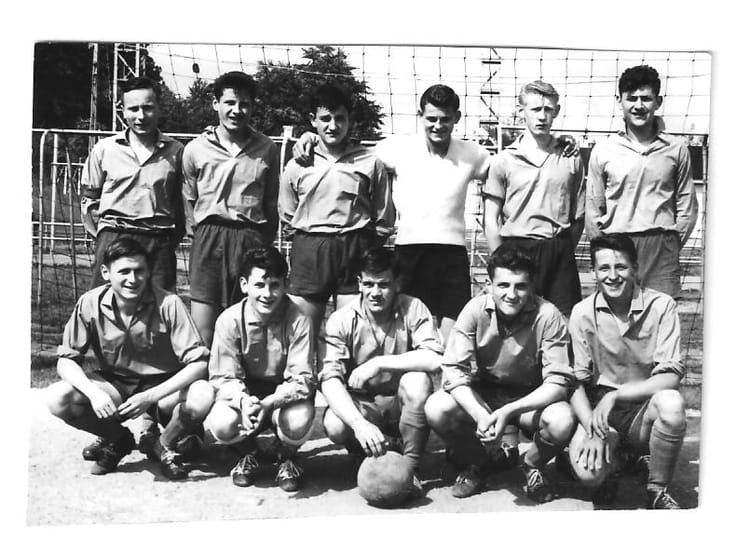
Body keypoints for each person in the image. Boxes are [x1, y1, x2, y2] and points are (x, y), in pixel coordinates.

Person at [45, 238, 213, 480]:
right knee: (57, 398)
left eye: (139, 271)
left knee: (203, 394)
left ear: (148, 271)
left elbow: (199, 363)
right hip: (116, 384)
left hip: (163, 388)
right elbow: (66, 360)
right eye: (124, 271)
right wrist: (94, 394)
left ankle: (163, 444)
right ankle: (118, 439)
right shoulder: (90, 302)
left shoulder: (169, 303)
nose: (133, 279)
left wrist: (150, 397)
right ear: (106, 272)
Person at [424, 245, 575, 502]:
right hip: (487, 391)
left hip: (530, 396)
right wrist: (480, 414)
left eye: (521, 286)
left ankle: (531, 464)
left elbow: (558, 383)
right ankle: (481, 462)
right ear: (489, 285)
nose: (511, 294)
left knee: (562, 420)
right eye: (503, 285)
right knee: (437, 408)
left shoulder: (548, 315)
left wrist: (508, 412)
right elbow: (453, 370)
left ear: (532, 286)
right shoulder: (474, 309)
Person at [566, 233, 687, 509]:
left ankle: (657, 489)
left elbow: (671, 376)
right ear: (593, 272)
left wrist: (618, 395)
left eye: (620, 267)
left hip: (643, 408)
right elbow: (575, 382)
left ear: (635, 268)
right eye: (604, 268)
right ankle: (617, 463)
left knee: (672, 404)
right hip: (601, 411)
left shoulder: (662, 306)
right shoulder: (581, 313)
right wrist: (592, 428)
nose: (613, 276)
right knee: (589, 475)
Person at [318, 247, 443, 489]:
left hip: (400, 405)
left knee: (417, 381)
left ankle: (410, 465)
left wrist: (378, 363)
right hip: (365, 404)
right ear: (359, 283)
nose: (375, 293)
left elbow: (435, 358)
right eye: (368, 284)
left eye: (383, 285)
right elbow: (329, 379)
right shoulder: (341, 319)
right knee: (334, 423)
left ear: (397, 284)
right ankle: (365, 451)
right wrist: (358, 423)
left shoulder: (413, 307)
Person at [279, 83, 395, 334]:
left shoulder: (369, 161)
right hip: (311, 249)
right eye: (325, 119)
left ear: (349, 120)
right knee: (302, 332)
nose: (333, 126)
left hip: (354, 248)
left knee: (352, 331)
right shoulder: (297, 164)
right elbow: (287, 214)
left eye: (340, 118)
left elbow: (384, 215)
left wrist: (365, 245)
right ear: (313, 120)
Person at [199, 246, 316, 492]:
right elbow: (222, 376)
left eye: (275, 285)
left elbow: (303, 379)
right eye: (259, 285)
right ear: (244, 285)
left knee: (298, 420)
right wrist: (244, 402)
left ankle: (285, 456)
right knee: (221, 422)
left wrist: (270, 403)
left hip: (282, 397)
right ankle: (248, 453)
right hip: (247, 395)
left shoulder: (299, 319)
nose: (267, 294)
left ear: (285, 285)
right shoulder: (229, 320)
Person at [182, 71, 279, 346]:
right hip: (209, 239)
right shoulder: (195, 149)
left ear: (253, 106)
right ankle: (203, 372)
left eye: (244, 104)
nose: (237, 110)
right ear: (216, 104)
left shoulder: (267, 148)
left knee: (247, 326)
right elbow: (189, 199)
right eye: (230, 103)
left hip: (250, 236)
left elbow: (270, 202)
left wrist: (261, 240)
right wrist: (201, 234)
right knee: (203, 331)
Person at [585, 65, 698, 298]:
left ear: (658, 101)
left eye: (646, 98)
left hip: (660, 249)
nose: (638, 106)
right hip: (616, 247)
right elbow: (593, 209)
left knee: (660, 316)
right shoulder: (603, 150)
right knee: (616, 317)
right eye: (631, 98)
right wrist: (604, 252)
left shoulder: (677, 149)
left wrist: (670, 245)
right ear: (620, 101)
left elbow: (687, 208)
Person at [483, 80, 585, 317]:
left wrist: (562, 248)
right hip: (517, 250)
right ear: (521, 112)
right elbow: (491, 219)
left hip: (558, 251)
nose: (542, 116)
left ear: (556, 111)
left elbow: (578, 217)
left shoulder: (570, 157)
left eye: (548, 109)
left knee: (563, 323)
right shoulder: (503, 161)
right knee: (518, 324)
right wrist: (501, 262)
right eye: (536, 109)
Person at [81, 76, 184, 291]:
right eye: (134, 109)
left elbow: (180, 204)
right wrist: (102, 236)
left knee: (160, 306)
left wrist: (168, 240)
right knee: (105, 303)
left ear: (158, 108)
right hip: (114, 236)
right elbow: (88, 200)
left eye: (148, 108)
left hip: (158, 241)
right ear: (122, 110)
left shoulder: (176, 151)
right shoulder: (105, 149)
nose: (141, 116)